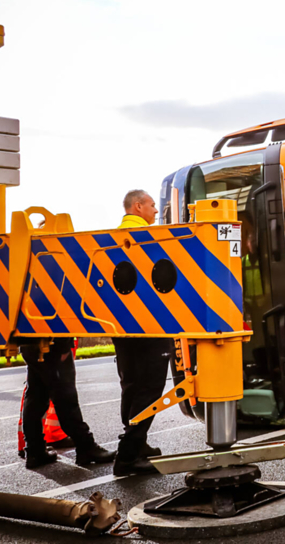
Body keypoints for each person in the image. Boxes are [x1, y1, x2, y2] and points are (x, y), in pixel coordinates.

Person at [113, 189, 172, 476]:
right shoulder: (151, 238)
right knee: (149, 390)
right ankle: (127, 456)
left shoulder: (110, 238)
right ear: (138, 207)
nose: (156, 211)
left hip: (121, 328)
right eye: (151, 205)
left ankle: (138, 444)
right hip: (151, 326)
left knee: (131, 386)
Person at [20, 338, 116, 469]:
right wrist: (64, 346)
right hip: (53, 344)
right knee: (65, 396)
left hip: (29, 342)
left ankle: (34, 451)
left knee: (36, 396)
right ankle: (86, 447)